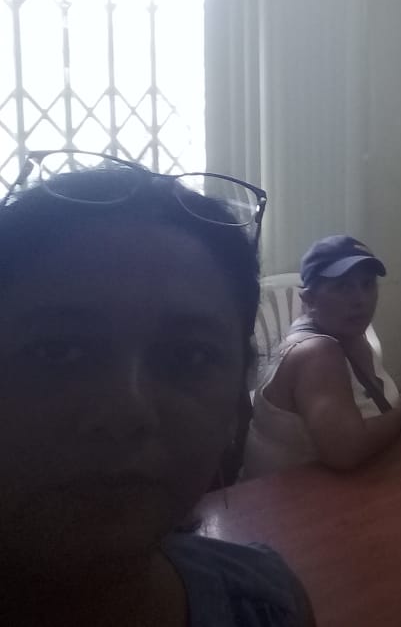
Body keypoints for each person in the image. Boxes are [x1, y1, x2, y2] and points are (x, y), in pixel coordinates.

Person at [0, 152, 314, 626]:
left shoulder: (268, 606)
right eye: (59, 352)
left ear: (237, 402)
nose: (125, 412)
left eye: (189, 356)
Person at [241, 236, 401, 479]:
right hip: (286, 497)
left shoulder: (348, 334)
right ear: (309, 299)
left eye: (367, 284)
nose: (360, 299)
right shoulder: (316, 353)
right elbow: (346, 451)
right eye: (342, 287)